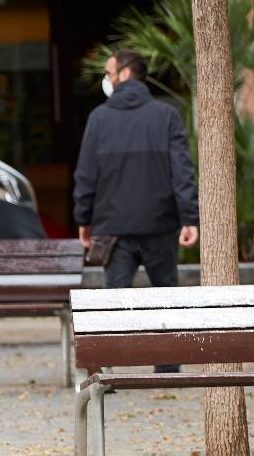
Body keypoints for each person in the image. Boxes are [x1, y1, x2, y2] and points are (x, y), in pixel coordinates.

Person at [73, 49, 199, 373]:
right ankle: (168, 369)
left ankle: (105, 371)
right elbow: (182, 172)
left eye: (109, 73)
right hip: (159, 223)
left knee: (114, 300)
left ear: (125, 73)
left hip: (112, 226)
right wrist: (189, 218)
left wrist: (83, 219)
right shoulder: (166, 116)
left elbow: (86, 174)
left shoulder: (99, 119)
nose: (107, 79)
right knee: (165, 296)